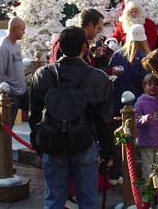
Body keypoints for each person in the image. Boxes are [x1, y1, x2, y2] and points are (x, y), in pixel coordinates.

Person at [29, 26, 114, 209]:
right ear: (85, 47)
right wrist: (107, 150)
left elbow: (34, 113)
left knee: (53, 199)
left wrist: (37, 141)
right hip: (84, 141)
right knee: (88, 199)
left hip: (52, 141)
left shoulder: (43, 74)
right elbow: (105, 120)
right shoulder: (98, 78)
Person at [107, 23, 150, 184]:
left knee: (118, 139)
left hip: (116, 104)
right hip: (138, 105)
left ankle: (117, 171)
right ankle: (135, 177)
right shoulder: (144, 57)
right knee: (136, 141)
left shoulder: (117, 55)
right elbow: (145, 82)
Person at [0, 17, 28, 126]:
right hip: (10, 95)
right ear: (14, 29)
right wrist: (7, 92)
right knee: (5, 128)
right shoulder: (2, 47)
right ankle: (1, 144)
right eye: (22, 29)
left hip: (21, 91)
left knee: (35, 113)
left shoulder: (16, 45)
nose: (24, 32)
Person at [134, 74, 158, 179]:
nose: (153, 87)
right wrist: (142, 119)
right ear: (144, 87)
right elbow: (134, 120)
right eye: (149, 84)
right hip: (146, 141)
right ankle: (148, 192)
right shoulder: (140, 102)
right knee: (148, 168)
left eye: (155, 85)